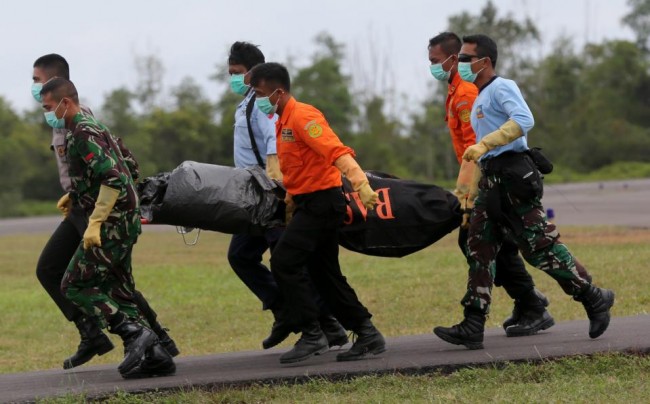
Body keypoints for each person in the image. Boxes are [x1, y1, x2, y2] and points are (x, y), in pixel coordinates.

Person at [433, 34, 614, 349]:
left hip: (514, 179)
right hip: (491, 182)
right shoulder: (478, 96)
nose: (460, 64)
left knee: (539, 248)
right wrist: (468, 194)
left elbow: (524, 120)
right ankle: (473, 324)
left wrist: (486, 143)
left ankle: (594, 298)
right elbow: (478, 155)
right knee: (479, 247)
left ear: (484, 61)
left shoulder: (502, 87)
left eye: (465, 58)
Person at [31, 54, 178, 370]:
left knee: (74, 285)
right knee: (120, 289)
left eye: (47, 108)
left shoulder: (81, 130)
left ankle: (135, 334)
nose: (46, 115)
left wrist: (96, 221)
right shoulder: (91, 126)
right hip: (121, 219)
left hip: (110, 222)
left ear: (65, 102)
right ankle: (158, 356)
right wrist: (77, 194)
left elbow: (112, 176)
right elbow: (129, 164)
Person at [249, 62, 386, 364]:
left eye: (258, 91)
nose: (255, 98)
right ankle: (367, 333)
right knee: (325, 275)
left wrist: (360, 183)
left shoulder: (303, 116)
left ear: (278, 91)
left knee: (284, 261)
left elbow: (336, 151)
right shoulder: (282, 122)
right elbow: (297, 176)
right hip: (309, 206)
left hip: (324, 204)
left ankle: (312, 334)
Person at [427, 32, 554, 337]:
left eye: (435, 61)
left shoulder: (469, 93)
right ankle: (529, 304)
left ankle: (533, 303)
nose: (432, 66)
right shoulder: (455, 89)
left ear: (455, 58)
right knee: (497, 244)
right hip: (482, 177)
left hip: (490, 177)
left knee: (496, 243)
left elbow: (479, 144)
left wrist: (467, 195)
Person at [225, 42, 347, 349]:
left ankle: (324, 325)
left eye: (237, 73)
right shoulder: (246, 105)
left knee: (289, 260)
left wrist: (276, 190)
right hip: (251, 193)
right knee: (242, 255)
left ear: (254, 74)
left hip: (268, 192)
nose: (233, 79)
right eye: (230, 73)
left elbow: (273, 146)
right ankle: (286, 311)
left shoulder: (262, 103)